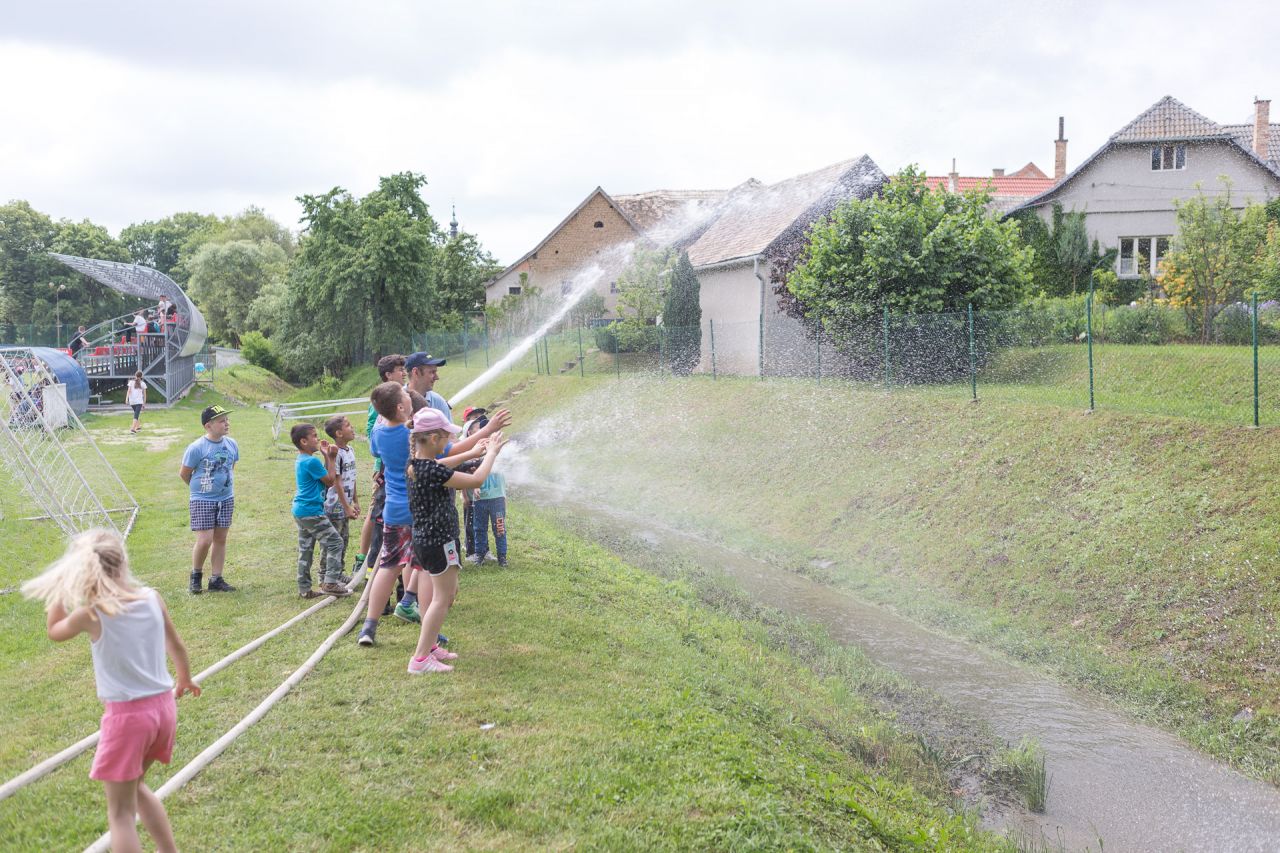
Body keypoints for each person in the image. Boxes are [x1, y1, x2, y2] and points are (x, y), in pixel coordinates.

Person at [21, 529, 200, 853]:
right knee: (137, 787)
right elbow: (175, 644)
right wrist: (184, 678)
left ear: (83, 572)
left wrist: (60, 589)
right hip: (164, 710)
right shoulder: (152, 597)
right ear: (123, 561)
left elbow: (54, 630)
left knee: (120, 814)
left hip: (128, 719)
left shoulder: (91, 614)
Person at [406, 408, 507, 674]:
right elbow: (476, 479)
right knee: (442, 599)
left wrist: (474, 453)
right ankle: (420, 660)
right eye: (446, 437)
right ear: (434, 438)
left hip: (429, 540)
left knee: (448, 595)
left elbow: (444, 464)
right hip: (439, 542)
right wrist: (491, 453)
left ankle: (429, 648)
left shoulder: (417, 465)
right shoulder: (432, 471)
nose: (449, 442)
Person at [354, 354, 406, 586]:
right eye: (399, 369)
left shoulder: (400, 396)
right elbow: (373, 434)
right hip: (385, 469)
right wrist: (381, 466)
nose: (404, 373)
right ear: (388, 375)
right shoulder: (382, 401)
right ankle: (365, 562)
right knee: (376, 516)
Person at [179, 405, 238, 594]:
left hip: (226, 498)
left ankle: (216, 579)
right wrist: (201, 491)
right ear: (208, 426)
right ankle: (196, 576)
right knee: (205, 540)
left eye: (227, 420)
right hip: (202, 500)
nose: (226, 423)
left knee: (220, 538)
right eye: (221, 421)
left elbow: (231, 467)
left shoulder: (232, 444)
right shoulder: (196, 448)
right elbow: (184, 473)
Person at [290, 423, 351, 599]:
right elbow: (330, 480)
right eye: (314, 436)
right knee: (335, 542)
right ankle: (330, 582)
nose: (318, 439)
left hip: (301, 510)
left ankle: (304, 588)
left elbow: (323, 476)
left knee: (306, 549)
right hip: (311, 511)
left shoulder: (302, 459)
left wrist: (325, 456)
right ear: (304, 441)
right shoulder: (311, 461)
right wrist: (332, 457)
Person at [322, 415, 359, 570]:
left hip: (346, 505)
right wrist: (346, 507)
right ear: (339, 433)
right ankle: (325, 574)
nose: (352, 427)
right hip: (335, 507)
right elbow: (337, 482)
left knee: (344, 540)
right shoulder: (335, 453)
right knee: (333, 542)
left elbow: (352, 477)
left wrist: (355, 502)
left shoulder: (350, 450)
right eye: (348, 425)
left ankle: (338, 572)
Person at [404, 352, 451, 420]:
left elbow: (448, 427)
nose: (437, 377)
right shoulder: (395, 401)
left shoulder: (439, 402)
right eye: (432, 372)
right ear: (416, 372)